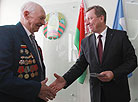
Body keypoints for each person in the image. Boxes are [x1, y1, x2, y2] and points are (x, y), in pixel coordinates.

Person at [50, 5, 137, 102]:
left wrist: (114, 74)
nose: (86, 23)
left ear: (101, 18)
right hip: (97, 95)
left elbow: (132, 61)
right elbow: (80, 66)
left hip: (118, 94)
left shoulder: (120, 36)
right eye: (86, 19)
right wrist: (65, 79)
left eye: (90, 18)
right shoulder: (85, 42)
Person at [0, 1, 56, 102]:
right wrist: (36, 89)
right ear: (26, 15)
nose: (43, 23)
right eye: (41, 18)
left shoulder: (32, 40)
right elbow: (2, 77)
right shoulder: (5, 33)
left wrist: (41, 90)